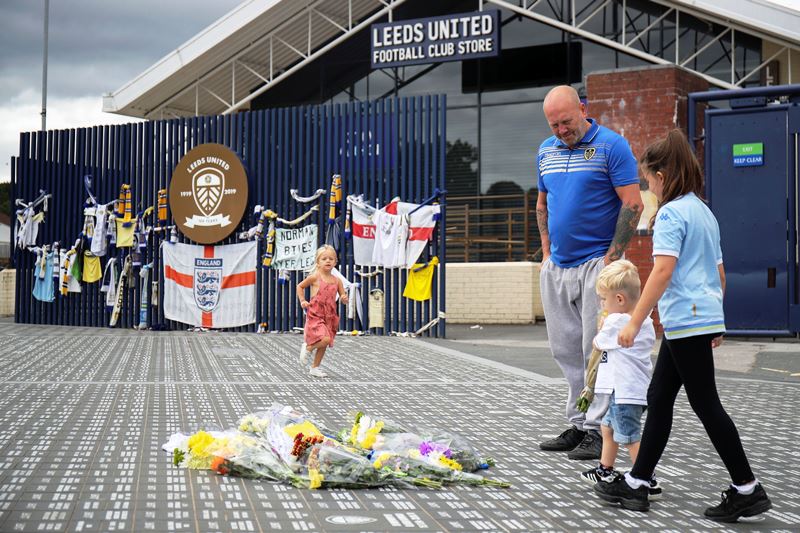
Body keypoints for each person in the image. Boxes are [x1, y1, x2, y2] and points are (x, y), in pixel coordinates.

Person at [594, 130, 773, 521]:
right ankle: (638, 482)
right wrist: (716, 322)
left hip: (685, 319)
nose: (647, 187)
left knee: (706, 404)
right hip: (697, 319)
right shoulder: (704, 212)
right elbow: (719, 274)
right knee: (660, 397)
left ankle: (747, 488)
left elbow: (661, 271)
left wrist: (634, 320)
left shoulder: (673, 213)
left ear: (663, 174)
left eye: (648, 179)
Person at [536, 85, 644, 460]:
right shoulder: (545, 151)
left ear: (583, 109)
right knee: (564, 349)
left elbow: (633, 203)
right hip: (558, 266)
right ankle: (579, 423)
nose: (561, 131)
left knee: (594, 348)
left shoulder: (612, 146)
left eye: (566, 122)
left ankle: (600, 429)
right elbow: (542, 203)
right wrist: (547, 252)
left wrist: (612, 258)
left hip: (595, 263)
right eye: (554, 125)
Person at [578, 260, 660, 499]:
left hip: (624, 392)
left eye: (604, 299)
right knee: (608, 428)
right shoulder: (643, 320)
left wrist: (603, 325)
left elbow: (597, 343)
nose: (602, 304)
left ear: (620, 299)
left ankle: (646, 478)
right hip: (633, 390)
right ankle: (606, 469)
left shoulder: (616, 321)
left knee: (629, 436)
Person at [296, 245, 348, 377]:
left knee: (325, 343)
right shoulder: (315, 277)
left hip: (330, 316)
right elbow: (300, 286)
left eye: (331, 258)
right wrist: (303, 300)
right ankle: (308, 348)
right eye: (324, 258)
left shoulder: (337, 281)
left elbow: (342, 295)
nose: (328, 261)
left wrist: (344, 298)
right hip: (315, 314)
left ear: (335, 262)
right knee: (325, 339)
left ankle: (315, 367)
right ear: (318, 262)